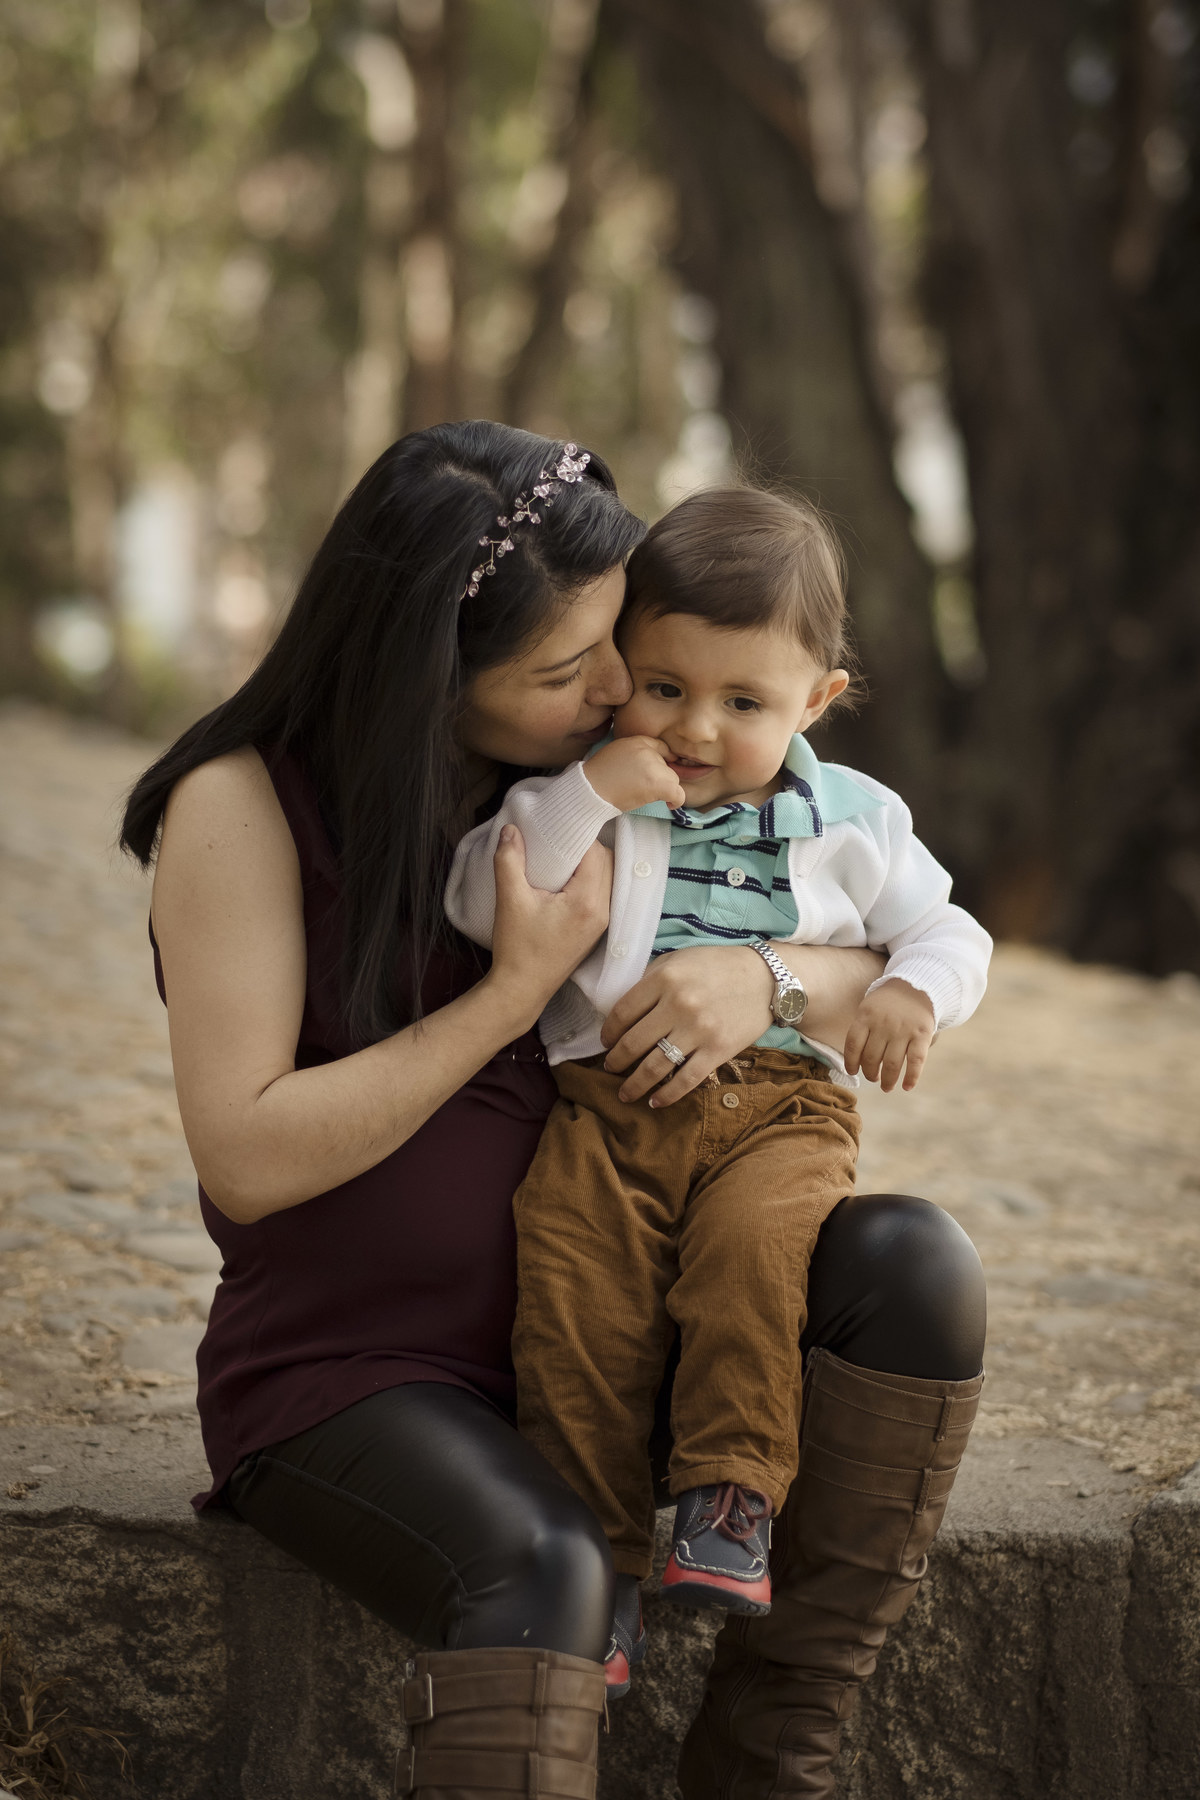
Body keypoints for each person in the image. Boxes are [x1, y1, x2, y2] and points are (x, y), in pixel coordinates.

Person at [120, 423, 986, 1800]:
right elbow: (248, 1150)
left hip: (643, 1326)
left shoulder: (637, 779)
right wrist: (506, 994)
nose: (620, 702)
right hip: (370, 1377)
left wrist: (767, 979)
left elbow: (886, 945)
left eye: (614, 649)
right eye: (568, 671)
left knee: (915, 1265)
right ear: (430, 669)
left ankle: (770, 1765)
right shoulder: (249, 807)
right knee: (547, 1564)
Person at [447, 481, 991, 1690]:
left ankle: (729, 1499)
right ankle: (598, 1565)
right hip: (609, 1105)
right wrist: (593, 794)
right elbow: (481, 893)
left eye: (743, 702)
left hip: (781, 1111)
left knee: (753, 1259)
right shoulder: (592, 792)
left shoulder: (855, 821)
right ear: (621, 666)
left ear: (818, 699)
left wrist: (912, 993)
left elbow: (952, 932)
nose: (695, 727)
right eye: (667, 686)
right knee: (576, 1293)